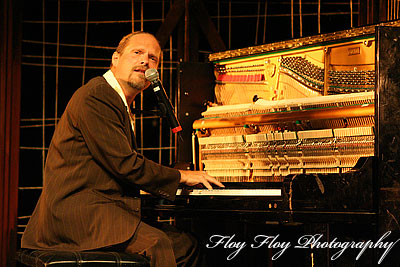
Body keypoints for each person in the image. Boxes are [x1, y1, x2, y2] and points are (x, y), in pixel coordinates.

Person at [21, 31, 224, 267]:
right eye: (136, 53)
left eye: (153, 58)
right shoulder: (97, 95)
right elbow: (125, 164)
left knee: (185, 243)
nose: (145, 61)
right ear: (115, 59)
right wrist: (181, 176)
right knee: (164, 245)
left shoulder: (117, 101)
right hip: (77, 218)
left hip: (98, 211)